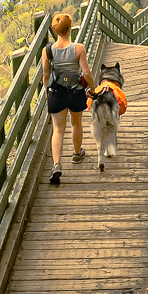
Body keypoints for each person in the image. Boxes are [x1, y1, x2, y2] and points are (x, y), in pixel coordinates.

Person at [42, 13, 93, 184]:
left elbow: (45, 74)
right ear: (70, 29)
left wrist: (47, 91)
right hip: (75, 91)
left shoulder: (47, 51)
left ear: (55, 30)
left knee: (58, 129)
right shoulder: (78, 48)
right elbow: (86, 73)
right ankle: (77, 154)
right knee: (76, 123)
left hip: (56, 93)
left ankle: (57, 164)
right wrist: (93, 88)